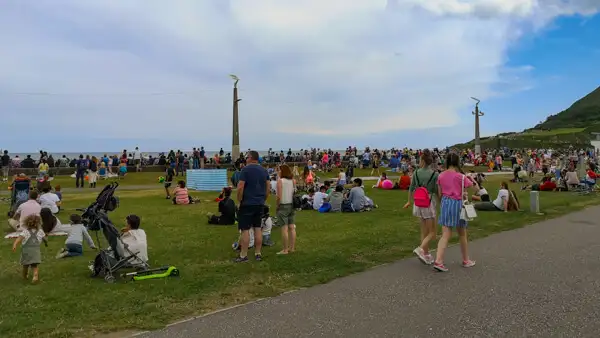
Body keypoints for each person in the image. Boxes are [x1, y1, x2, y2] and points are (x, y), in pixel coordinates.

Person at [433, 153, 476, 272]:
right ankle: (466, 260)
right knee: (462, 234)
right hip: (457, 204)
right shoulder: (461, 177)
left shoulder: (441, 176)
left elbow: (440, 194)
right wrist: (471, 178)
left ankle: (438, 260)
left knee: (445, 234)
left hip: (446, 203)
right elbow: (475, 188)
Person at [404, 149, 439, 265]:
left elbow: (411, 188)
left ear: (422, 160)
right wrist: (441, 203)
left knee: (424, 231)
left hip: (418, 202)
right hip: (428, 203)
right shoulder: (434, 174)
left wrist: (409, 201)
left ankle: (426, 254)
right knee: (432, 232)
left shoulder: (416, 172)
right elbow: (437, 191)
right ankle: (420, 249)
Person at [235, 150, 269, 262]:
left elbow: (240, 187)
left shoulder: (245, 170)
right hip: (259, 203)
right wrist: (263, 199)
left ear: (250, 158)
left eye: (247, 157)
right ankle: (258, 253)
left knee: (245, 230)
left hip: (247, 203)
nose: (245, 158)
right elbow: (267, 187)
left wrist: (239, 200)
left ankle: (243, 255)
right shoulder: (264, 170)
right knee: (258, 228)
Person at [13, 214, 46, 283]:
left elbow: (19, 239)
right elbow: (44, 238)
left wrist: (15, 245)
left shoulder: (25, 232)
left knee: (25, 265)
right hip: (36, 251)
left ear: (26, 223)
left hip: (26, 252)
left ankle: (25, 276)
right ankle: (35, 275)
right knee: (34, 265)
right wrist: (46, 243)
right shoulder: (40, 231)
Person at [276, 164, 297, 255]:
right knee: (292, 227)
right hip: (291, 205)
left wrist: (277, 206)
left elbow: (279, 196)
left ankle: (285, 250)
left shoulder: (280, 181)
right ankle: (292, 248)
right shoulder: (293, 181)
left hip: (283, 205)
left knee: (284, 228)